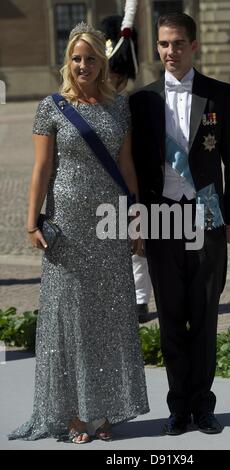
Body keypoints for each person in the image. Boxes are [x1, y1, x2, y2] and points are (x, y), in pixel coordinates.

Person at [8, 22, 149, 444]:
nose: (83, 65)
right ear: (67, 62)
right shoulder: (51, 107)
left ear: (101, 62)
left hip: (109, 223)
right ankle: (72, 416)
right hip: (66, 227)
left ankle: (103, 413)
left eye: (90, 58)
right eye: (76, 58)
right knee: (68, 319)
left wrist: (136, 221)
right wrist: (33, 221)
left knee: (108, 318)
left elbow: (127, 169)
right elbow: (41, 169)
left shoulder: (118, 107)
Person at [129, 13, 230, 436]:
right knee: (172, 317)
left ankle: (204, 405)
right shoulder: (141, 101)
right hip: (162, 218)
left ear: (194, 46)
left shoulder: (219, 95)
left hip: (208, 214)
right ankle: (178, 407)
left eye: (178, 43)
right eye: (163, 44)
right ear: (156, 47)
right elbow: (136, 168)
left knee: (205, 313)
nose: (170, 52)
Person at [100, 14, 153, 324]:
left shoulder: (132, 103)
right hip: (99, 179)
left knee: (136, 241)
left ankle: (140, 298)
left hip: (130, 176)